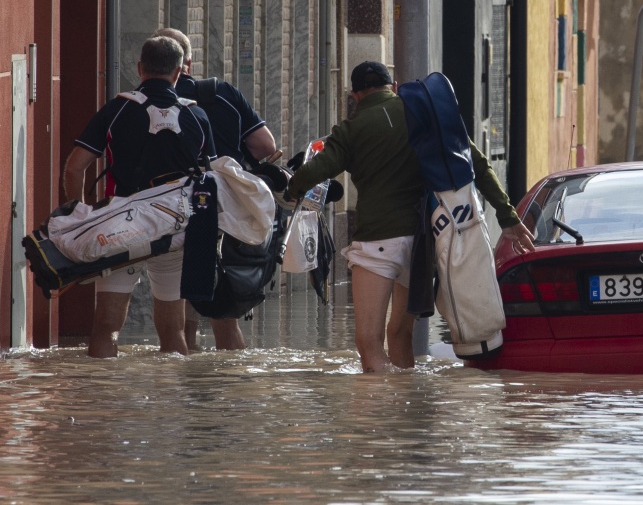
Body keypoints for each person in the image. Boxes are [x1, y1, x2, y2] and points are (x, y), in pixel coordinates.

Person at [285, 61, 536, 373]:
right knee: (400, 334)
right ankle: (406, 405)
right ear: (393, 84)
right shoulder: (427, 115)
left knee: (369, 341)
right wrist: (508, 216)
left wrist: (292, 189)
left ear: (356, 95)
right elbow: (479, 165)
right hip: (423, 245)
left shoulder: (351, 130)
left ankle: (382, 416)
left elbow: (315, 170)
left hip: (378, 243)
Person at [62, 36, 216, 358]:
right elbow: (210, 182)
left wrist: (78, 215)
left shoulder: (117, 109)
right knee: (173, 331)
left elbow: (75, 168)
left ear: (139, 68)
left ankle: (106, 400)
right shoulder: (197, 117)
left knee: (106, 328)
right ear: (178, 73)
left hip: (121, 229)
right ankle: (174, 404)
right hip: (173, 229)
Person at [154, 27, 279, 351]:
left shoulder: (148, 102)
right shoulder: (221, 94)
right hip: (224, 213)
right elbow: (265, 145)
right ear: (188, 63)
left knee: (180, 315)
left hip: (171, 212)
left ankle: (185, 391)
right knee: (224, 314)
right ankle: (228, 392)